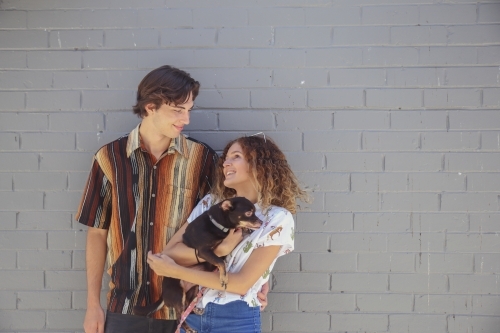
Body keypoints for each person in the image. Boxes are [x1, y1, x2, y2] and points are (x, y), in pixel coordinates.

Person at [75, 65, 219, 333]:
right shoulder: (109, 158)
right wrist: (93, 304)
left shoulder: (203, 160)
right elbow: (97, 233)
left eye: (189, 110)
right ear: (150, 106)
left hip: (187, 308)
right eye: (178, 110)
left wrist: (257, 281)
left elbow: (225, 227)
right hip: (124, 308)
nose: (186, 119)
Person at [147, 134, 309, 333]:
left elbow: (241, 284)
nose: (226, 163)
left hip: (235, 320)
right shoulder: (212, 203)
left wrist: (175, 271)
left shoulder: (276, 218)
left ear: (258, 164)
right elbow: (171, 252)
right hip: (193, 315)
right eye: (226, 158)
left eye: (236, 156)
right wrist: (221, 249)